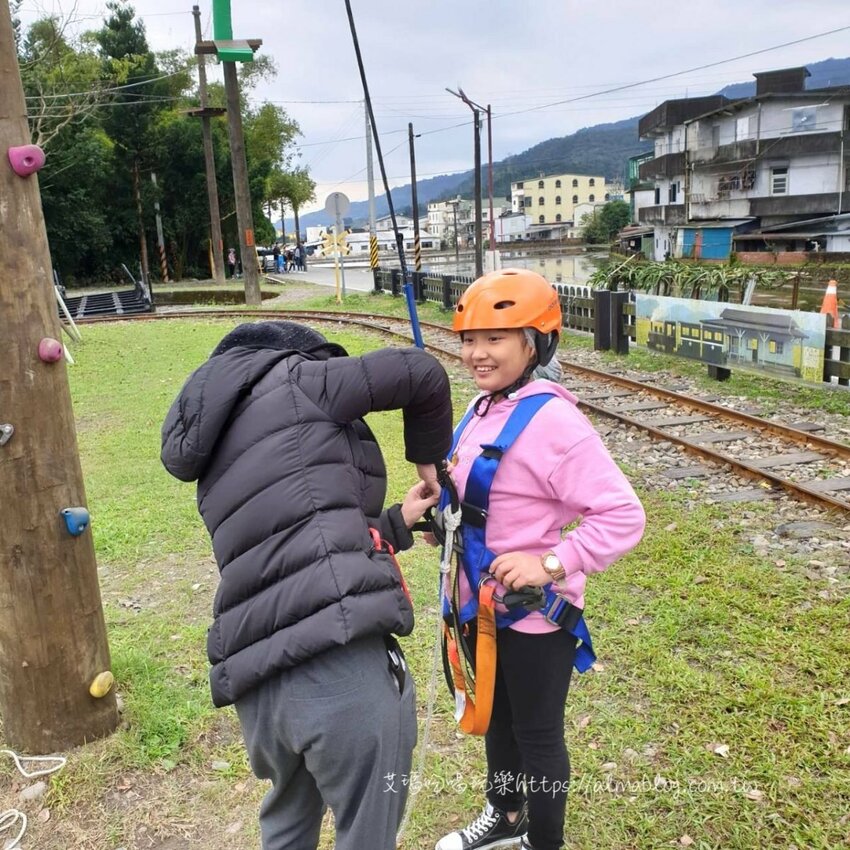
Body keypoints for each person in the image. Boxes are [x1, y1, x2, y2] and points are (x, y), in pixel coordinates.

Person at [160, 320, 453, 850]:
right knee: (367, 832)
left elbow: (297, 540)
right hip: (339, 672)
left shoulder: (218, 441)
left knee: (287, 826)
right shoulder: (299, 377)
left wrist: (396, 523)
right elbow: (421, 372)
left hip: (261, 687)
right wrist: (429, 465)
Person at [434, 269, 645, 850]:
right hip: (482, 606)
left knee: (537, 735)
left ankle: (543, 842)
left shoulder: (554, 421)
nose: (477, 353)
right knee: (497, 719)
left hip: (535, 615)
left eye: (495, 338)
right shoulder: (483, 407)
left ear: (533, 344)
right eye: (468, 339)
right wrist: (443, 517)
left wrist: (551, 564)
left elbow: (623, 515)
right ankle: (506, 816)